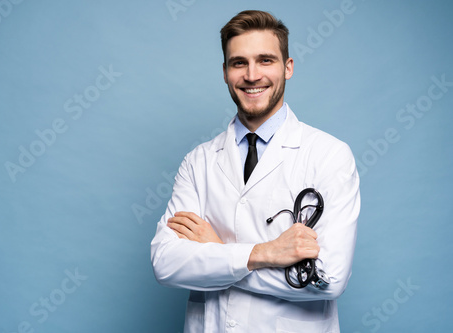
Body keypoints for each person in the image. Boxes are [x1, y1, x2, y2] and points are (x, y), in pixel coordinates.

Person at [151, 9, 360, 333]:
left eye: (265, 60)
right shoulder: (199, 161)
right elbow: (166, 264)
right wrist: (266, 253)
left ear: (287, 67)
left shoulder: (330, 156)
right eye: (239, 63)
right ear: (224, 72)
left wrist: (219, 253)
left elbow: (328, 279)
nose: (251, 75)